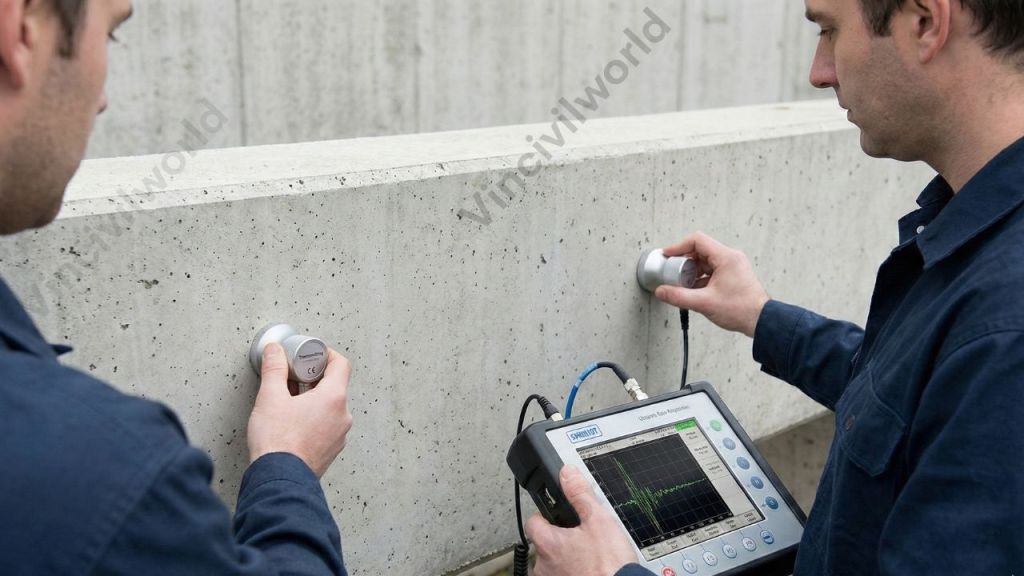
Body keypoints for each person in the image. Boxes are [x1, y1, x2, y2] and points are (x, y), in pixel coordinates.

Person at [527, 0, 1024, 574]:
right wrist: (762, 316)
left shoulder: (1005, 327)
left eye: (829, 30)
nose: (819, 72)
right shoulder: (982, 259)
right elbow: (910, 399)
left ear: (925, 23)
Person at [0, 1, 354, 574]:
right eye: (110, 35)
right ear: (17, 29)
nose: (103, 99)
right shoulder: (106, 476)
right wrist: (288, 464)